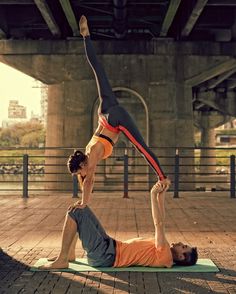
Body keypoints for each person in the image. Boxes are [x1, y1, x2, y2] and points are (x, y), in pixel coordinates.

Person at [67, 15, 171, 209]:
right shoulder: (88, 152)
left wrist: (84, 203)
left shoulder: (92, 157)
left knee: (142, 148)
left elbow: (88, 181)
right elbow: (85, 179)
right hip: (104, 111)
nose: (81, 176)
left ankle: (163, 177)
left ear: (82, 166)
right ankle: (86, 36)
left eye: (78, 173)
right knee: (98, 71)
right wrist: (82, 190)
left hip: (115, 119)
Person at [39, 182, 198, 270]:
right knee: (80, 208)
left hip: (105, 256)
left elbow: (159, 223)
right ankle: (69, 254)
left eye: (183, 247)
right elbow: (162, 220)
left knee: (76, 213)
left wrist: (152, 194)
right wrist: (161, 195)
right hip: (109, 246)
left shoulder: (166, 256)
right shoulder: (165, 251)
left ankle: (62, 259)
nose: (179, 243)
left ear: (181, 257)